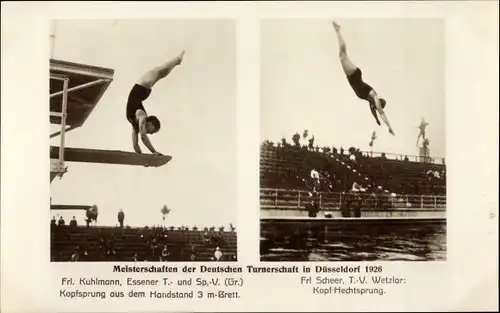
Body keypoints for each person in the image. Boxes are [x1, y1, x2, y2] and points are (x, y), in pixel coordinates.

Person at [332, 22, 394, 135]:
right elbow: (380, 112)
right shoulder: (373, 95)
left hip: (351, 78)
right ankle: (338, 30)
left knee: (342, 54)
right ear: (378, 102)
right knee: (342, 54)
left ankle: (338, 30)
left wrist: (376, 120)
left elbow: (374, 112)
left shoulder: (371, 103)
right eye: (377, 105)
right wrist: (389, 126)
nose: (374, 107)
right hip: (354, 75)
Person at [126, 50, 186, 155]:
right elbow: (143, 136)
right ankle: (177, 60)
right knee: (159, 72)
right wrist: (154, 152)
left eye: (153, 132)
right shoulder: (142, 117)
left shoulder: (136, 125)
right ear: (150, 123)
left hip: (142, 89)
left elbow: (135, 145)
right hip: (142, 87)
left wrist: (141, 158)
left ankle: (177, 61)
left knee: (160, 73)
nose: (152, 133)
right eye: (153, 130)